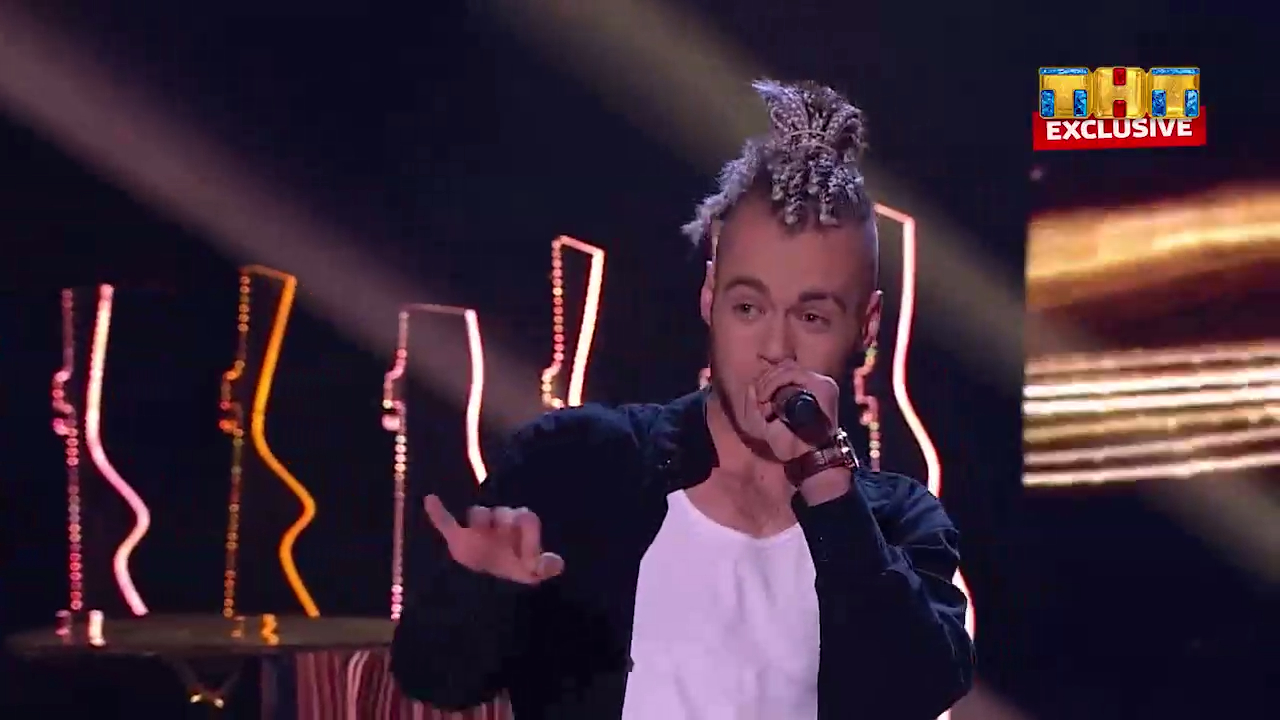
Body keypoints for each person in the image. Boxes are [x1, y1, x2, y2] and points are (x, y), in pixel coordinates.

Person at [391, 79, 974, 720]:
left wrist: (827, 485)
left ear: (866, 326)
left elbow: (917, 690)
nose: (775, 348)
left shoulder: (896, 523)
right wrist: (484, 594)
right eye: (748, 307)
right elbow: (433, 676)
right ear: (709, 296)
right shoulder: (580, 463)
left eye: (812, 317)